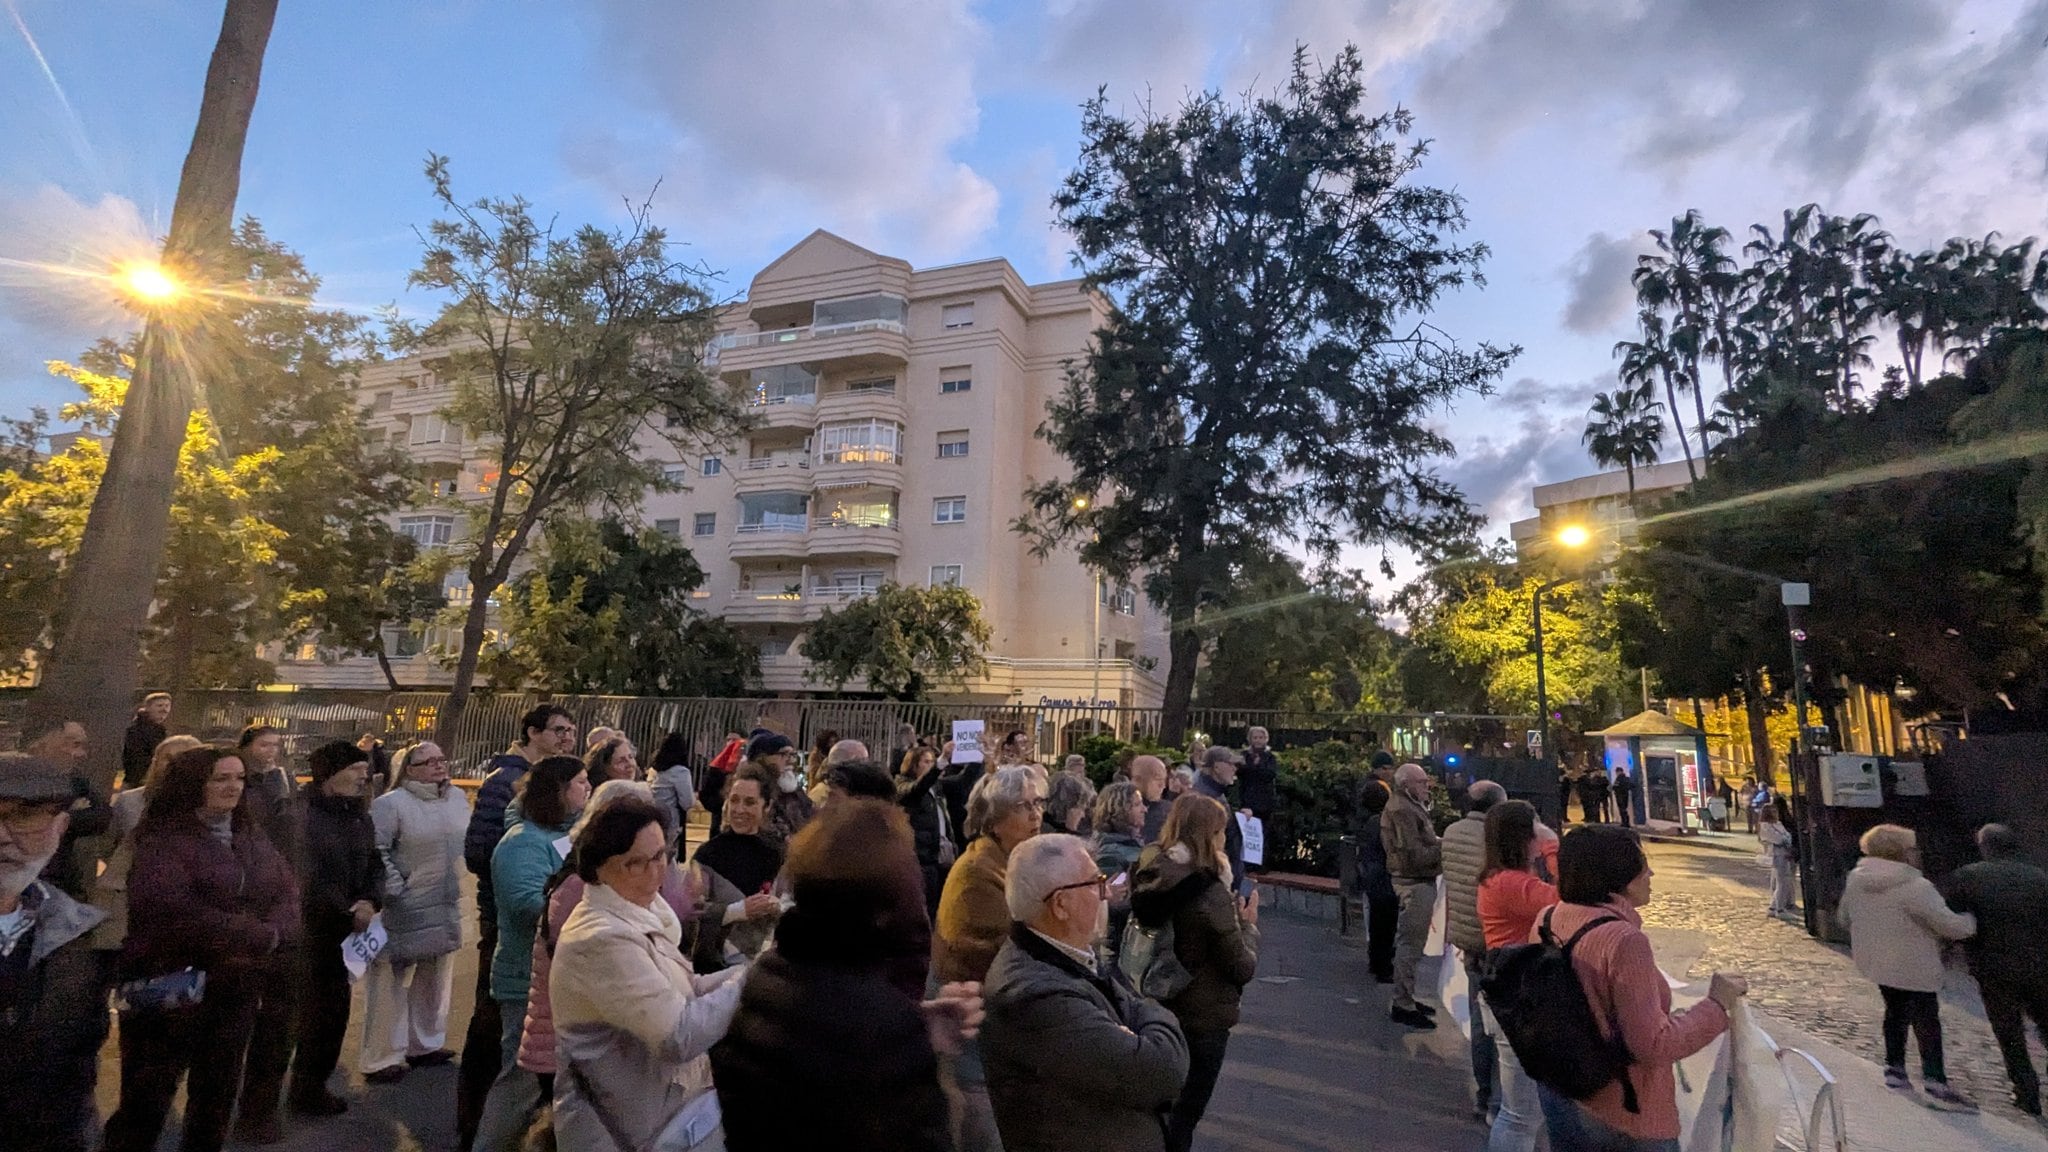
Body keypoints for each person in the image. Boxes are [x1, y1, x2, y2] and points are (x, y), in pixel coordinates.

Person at [716, 799, 978, 1152]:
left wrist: (918, 1027)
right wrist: (910, 1038)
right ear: (886, 902)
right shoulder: (878, 1024)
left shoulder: (770, 974)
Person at [105, 746, 300, 1152]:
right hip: (170, 983)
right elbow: (172, 910)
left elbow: (285, 888)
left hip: (235, 986)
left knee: (216, 1097)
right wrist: (257, 936)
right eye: (221, 778)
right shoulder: (162, 837)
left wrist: (279, 931)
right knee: (146, 1101)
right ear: (195, 783)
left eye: (239, 778)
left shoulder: (250, 832)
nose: (233, 787)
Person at [550, 796, 748, 1151]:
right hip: (630, 1128)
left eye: (661, 855)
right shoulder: (602, 938)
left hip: (667, 1112)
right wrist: (748, 983)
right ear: (598, 869)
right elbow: (678, 1035)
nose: (656, 871)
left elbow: (688, 987)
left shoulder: (643, 910)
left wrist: (755, 973)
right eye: (636, 863)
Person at [1538, 825, 1744, 1149]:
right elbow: (1653, 1044)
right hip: (1625, 1111)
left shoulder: (1548, 917)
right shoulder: (1624, 941)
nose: (1651, 872)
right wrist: (1716, 1005)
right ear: (1618, 875)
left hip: (1565, 1094)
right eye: (1641, 864)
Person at [984, 833, 1190, 1152]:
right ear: (1061, 904)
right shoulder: (1034, 995)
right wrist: (1153, 1021)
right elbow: (1160, 1070)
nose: (1106, 891)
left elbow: (1133, 1007)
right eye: (1095, 882)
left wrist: (1138, 1024)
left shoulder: (1068, 954)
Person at [240, 740, 384, 1131]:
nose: (363, 776)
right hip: (304, 934)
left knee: (331, 1017)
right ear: (328, 773)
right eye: (355, 768)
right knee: (284, 1023)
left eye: (364, 768)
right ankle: (258, 1109)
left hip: (344, 933)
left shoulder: (359, 816)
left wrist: (371, 899)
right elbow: (303, 875)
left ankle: (310, 1087)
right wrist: (345, 911)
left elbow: (374, 862)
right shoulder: (297, 817)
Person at [458, 703, 575, 1149]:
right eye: (559, 730)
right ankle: (475, 1130)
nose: (567, 737)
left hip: (536, 935)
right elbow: (480, 852)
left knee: (523, 1057)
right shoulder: (506, 786)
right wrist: (517, 889)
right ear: (532, 733)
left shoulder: (557, 820)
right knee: (501, 1044)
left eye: (570, 731)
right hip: (508, 928)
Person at [472, 755, 593, 1152]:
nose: (587, 788)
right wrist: (585, 908)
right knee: (519, 1081)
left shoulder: (566, 836)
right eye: (580, 782)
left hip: (556, 976)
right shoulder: (521, 842)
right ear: (557, 791)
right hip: (524, 977)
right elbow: (527, 903)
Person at [1131, 795, 1258, 1152]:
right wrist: (1248, 927)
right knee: (1185, 1114)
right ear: (1209, 835)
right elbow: (1241, 966)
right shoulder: (1209, 891)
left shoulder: (1150, 866)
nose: (1224, 840)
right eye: (1220, 832)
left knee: (1156, 1108)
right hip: (1203, 1013)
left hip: (1153, 1001)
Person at [0, 752, 111, 1152]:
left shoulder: (77, 936)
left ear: (60, 827)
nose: (2, 835)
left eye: (25, 816)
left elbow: (77, 1073)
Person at [934, 766, 1045, 1152]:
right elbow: (1010, 949)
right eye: (1022, 806)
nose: (1035, 814)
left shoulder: (1009, 861)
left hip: (994, 1027)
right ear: (995, 819)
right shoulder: (979, 873)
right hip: (969, 1027)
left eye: (1038, 803)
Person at [1837, 823, 1978, 1111]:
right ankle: (1935, 1080)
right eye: (1912, 848)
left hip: (1878, 963)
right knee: (1927, 1020)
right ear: (1902, 852)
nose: (1917, 852)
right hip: (1914, 964)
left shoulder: (1856, 879)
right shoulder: (1915, 886)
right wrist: (1971, 922)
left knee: (1895, 1012)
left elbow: (1844, 917)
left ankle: (1895, 1070)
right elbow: (1948, 924)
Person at [362, 741, 471, 1084]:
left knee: (435, 974)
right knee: (388, 979)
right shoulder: (390, 805)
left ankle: (424, 1043)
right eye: (429, 761)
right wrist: (396, 887)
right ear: (408, 768)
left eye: (442, 759)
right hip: (403, 903)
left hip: (445, 899)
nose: (439, 766)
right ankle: (382, 1056)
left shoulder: (456, 799)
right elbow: (377, 849)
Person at [1945, 823, 2048, 1117]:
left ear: (1984, 846)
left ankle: (2027, 1093)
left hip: (1993, 967)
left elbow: (1956, 921)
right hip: (2040, 964)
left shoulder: (1968, 876)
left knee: (2009, 1031)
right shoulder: (2038, 876)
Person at [1476, 800, 1560, 1152]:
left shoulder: (1500, 878)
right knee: (1520, 1114)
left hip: (1512, 988)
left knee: (1524, 1110)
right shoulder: (1511, 883)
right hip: (1518, 993)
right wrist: (1553, 846)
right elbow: (1566, 898)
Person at [91, 734, 204, 959]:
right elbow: (107, 847)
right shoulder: (129, 802)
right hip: (127, 903)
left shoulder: (208, 807)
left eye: (183, 758)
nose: (173, 765)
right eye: (167, 758)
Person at [1443, 779, 1506, 1120]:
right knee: (1501, 1026)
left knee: (1480, 1022)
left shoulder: (1452, 831)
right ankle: (1499, 1098)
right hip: (1497, 939)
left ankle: (1484, 1093)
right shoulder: (1494, 838)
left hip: (1468, 938)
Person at [690, 764, 787, 959]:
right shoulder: (707, 855)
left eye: (750, 802)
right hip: (718, 966)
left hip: (768, 963)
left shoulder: (780, 854)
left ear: (766, 806)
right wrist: (736, 911)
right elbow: (690, 913)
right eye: (734, 800)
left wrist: (780, 908)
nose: (739, 809)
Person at [1382, 763, 1443, 1028]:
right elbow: (1414, 854)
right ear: (1406, 784)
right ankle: (1402, 1002)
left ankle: (1406, 996)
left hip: (1416, 879)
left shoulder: (1409, 805)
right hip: (1413, 881)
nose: (1426, 786)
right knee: (1410, 943)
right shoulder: (1402, 809)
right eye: (1421, 782)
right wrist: (1446, 848)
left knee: (1412, 943)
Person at [1089, 781, 1148, 964]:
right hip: (1120, 947)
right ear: (1120, 809)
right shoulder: (1112, 853)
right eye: (1137, 804)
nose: (1144, 809)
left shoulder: (1129, 845)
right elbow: (1111, 899)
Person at [899, 745, 959, 919]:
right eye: (926, 762)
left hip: (941, 858)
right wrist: (941, 762)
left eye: (932, 761)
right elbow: (918, 788)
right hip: (922, 860)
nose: (931, 765)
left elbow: (963, 781)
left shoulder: (937, 788)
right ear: (913, 765)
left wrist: (979, 757)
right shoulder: (903, 785)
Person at [1355, 779, 1399, 983]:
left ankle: (1375, 961)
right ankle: (1384, 967)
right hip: (1384, 877)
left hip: (1370, 875)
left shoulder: (1363, 820)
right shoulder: (1381, 821)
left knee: (1376, 922)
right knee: (1386, 925)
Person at [745, 732, 812, 850]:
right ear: (762, 758)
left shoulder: (795, 792)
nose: (790, 760)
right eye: (783, 754)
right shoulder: (752, 792)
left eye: (792, 755)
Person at [1192, 745, 1245, 893]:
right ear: (1216, 766)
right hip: (1214, 880)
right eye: (1231, 764)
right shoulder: (1204, 797)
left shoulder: (1215, 792)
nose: (1235, 769)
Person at [239, 724, 295, 827]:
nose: (271, 750)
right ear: (248, 747)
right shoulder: (238, 774)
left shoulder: (284, 776)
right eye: (264, 745)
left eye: (275, 745)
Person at [121, 692, 172, 789]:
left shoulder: (160, 730)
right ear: (148, 708)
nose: (164, 709)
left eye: (167, 705)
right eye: (159, 705)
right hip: (139, 781)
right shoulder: (136, 730)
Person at [650, 732, 696, 837]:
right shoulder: (680, 771)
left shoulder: (655, 769)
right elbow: (687, 802)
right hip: (670, 819)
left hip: (652, 814)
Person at [699, 733, 743, 838]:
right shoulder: (716, 767)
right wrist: (720, 805)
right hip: (719, 821)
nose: (732, 743)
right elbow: (705, 793)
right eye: (729, 739)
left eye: (735, 740)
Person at [1238, 726, 1280, 837]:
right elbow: (1241, 772)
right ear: (1250, 739)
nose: (1258, 740)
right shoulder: (1244, 755)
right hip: (1247, 800)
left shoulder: (1270, 757)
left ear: (1266, 739)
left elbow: (1270, 774)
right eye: (1255, 737)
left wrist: (1255, 768)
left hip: (1265, 802)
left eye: (1261, 737)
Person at [1757, 804, 1797, 917]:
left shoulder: (1778, 824)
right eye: (1772, 811)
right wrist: (1784, 840)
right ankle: (1780, 909)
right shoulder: (1765, 826)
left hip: (1785, 854)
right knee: (1781, 882)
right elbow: (1777, 839)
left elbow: (1787, 836)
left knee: (1784, 881)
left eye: (1775, 810)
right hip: (1777, 855)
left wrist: (1786, 841)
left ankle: (1773, 906)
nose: (1775, 813)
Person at [1129, 754, 1172, 842]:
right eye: (1158, 780)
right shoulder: (1121, 810)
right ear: (1137, 780)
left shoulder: (1170, 809)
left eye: (1164, 780)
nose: (1163, 786)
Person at [1045, 771, 1095, 836]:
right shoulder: (1061, 840)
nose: (1083, 815)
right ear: (1067, 808)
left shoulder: (1042, 827)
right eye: (1080, 808)